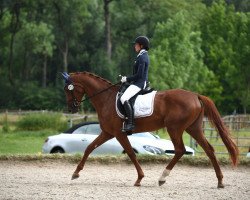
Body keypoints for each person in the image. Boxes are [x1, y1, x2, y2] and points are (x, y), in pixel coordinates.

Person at [120, 36, 150, 133]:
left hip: (140, 83)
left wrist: (127, 79)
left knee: (123, 98)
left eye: (136, 45)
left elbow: (139, 75)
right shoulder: (141, 56)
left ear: (141, 46)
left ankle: (131, 124)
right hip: (137, 82)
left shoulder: (142, 57)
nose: (135, 47)